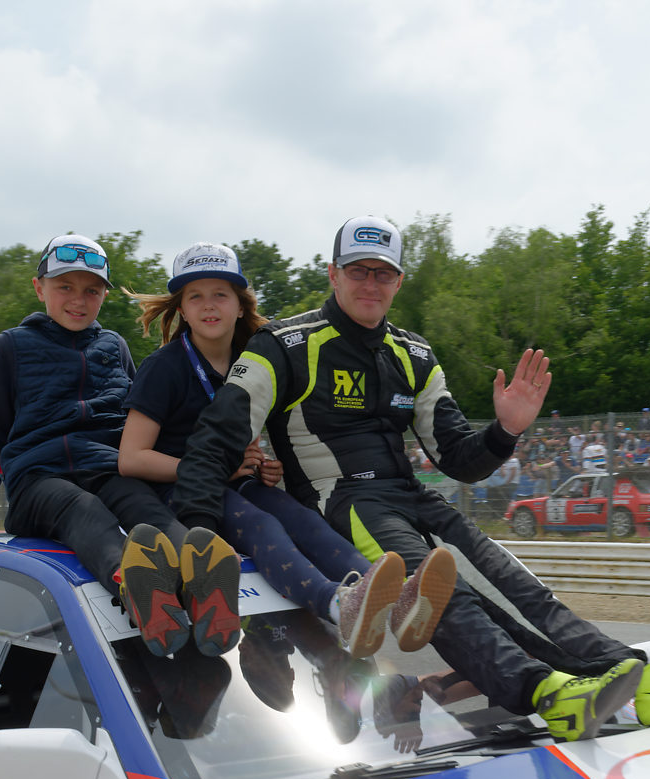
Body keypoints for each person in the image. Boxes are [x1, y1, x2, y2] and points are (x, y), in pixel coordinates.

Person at [172, 215, 650, 741]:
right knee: (445, 594)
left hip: (412, 495)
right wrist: (194, 532)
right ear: (333, 274)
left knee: (516, 583)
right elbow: (215, 439)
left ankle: (636, 678)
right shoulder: (284, 345)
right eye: (358, 271)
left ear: (399, 281)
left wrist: (505, 430)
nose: (370, 283)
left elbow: (459, 458)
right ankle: (547, 693)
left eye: (384, 273)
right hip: (339, 504)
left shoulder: (416, 354)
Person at [109, 242, 453, 658]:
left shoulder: (255, 357)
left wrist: (260, 466)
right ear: (181, 309)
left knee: (306, 522)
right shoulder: (163, 367)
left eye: (220, 294)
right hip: (183, 493)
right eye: (194, 296)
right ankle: (338, 603)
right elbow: (130, 459)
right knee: (264, 527)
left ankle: (390, 597)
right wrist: (217, 469)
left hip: (237, 483)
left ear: (240, 305)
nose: (208, 306)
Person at [0, 234, 240, 657]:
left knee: (146, 509)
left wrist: (215, 464)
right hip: (39, 480)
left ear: (104, 295)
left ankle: (204, 586)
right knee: (82, 509)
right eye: (64, 287)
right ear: (40, 288)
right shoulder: (13, 345)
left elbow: (143, 426)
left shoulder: (115, 347)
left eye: (92, 290)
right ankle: (134, 584)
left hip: (105, 468)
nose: (79, 299)